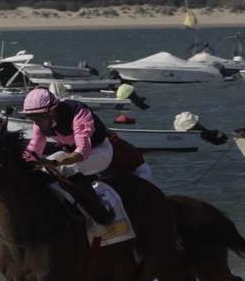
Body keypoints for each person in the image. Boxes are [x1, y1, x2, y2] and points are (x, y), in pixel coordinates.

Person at [19, 87, 149, 224]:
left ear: (51, 112)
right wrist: (21, 166)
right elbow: (34, 150)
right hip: (71, 154)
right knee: (46, 168)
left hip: (100, 151)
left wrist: (55, 163)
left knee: (64, 166)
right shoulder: (40, 123)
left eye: (37, 117)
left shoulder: (79, 113)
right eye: (31, 118)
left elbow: (82, 152)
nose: (36, 122)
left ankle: (101, 214)